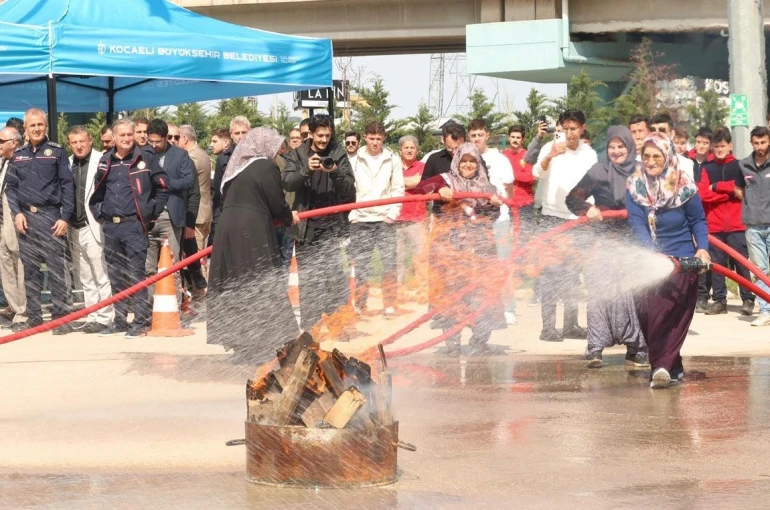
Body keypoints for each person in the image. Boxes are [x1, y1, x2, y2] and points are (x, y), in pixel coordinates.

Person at [208, 127, 300, 362]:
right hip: (252, 229)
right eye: (275, 147)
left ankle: (242, 345)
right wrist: (290, 217)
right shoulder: (264, 167)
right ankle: (262, 343)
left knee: (235, 284)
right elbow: (277, 203)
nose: (276, 153)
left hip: (227, 230)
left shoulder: (235, 168)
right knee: (259, 282)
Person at [626, 132, 710, 389]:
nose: (650, 161)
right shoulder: (634, 186)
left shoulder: (684, 186)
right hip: (650, 260)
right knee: (648, 317)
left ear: (668, 157)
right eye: (646, 156)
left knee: (669, 316)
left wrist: (702, 250)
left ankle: (660, 368)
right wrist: (651, 254)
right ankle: (672, 363)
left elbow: (698, 221)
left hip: (684, 263)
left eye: (656, 156)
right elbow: (637, 223)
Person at [411, 142, 506, 355]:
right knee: (450, 294)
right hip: (449, 251)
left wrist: (493, 204)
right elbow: (420, 188)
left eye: (473, 161)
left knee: (483, 293)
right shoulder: (445, 179)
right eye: (464, 161)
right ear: (457, 162)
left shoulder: (487, 187)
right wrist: (439, 189)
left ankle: (480, 340)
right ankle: (451, 341)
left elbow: (493, 216)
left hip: (480, 251)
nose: (469, 165)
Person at [566, 126, 648, 369]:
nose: (616, 151)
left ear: (629, 146)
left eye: (621, 146)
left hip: (633, 240)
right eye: (611, 147)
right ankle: (595, 349)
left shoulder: (641, 171)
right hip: (602, 241)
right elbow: (572, 198)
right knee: (600, 292)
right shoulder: (597, 171)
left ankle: (637, 349)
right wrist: (587, 208)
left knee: (633, 294)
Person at [89, 119, 169, 338]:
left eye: (129, 135)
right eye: (122, 135)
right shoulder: (106, 160)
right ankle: (121, 320)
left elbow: (163, 187)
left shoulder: (146, 157)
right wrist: (99, 214)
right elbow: (97, 190)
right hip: (111, 227)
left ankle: (141, 321)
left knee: (136, 275)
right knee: (116, 275)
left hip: (134, 225)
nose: (126, 138)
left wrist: (150, 213)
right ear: (113, 137)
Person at [283, 114, 356, 331]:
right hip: (306, 230)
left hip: (333, 228)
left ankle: (338, 329)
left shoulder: (338, 153)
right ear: (311, 134)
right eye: (320, 135)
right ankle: (312, 331)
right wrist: (307, 169)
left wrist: (334, 172)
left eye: (327, 135)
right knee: (310, 283)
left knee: (336, 281)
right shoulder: (298, 154)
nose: (324, 140)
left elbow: (350, 189)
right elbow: (287, 182)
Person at [6, 108, 74, 333]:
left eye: (40, 124)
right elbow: (11, 189)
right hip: (26, 220)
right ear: (24, 129)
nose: (36, 128)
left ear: (46, 126)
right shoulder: (18, 154)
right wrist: (16, 213)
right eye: (32, 125)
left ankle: (60, 319)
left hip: (51, 218)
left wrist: (65, 217)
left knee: (56, 270)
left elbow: (67, 186)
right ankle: (34, 319)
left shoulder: (56, 152)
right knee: (31, 272)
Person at [533, 109, 597, 342]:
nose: (569, 133)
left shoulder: (589, 154)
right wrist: (549, 156)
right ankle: (547, 327)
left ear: (582, 129)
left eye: (574, 129)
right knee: (550, 274)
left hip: (577, 221)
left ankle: (570, 324)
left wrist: (590, 209)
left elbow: (593, 185)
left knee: (573, 275)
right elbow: (536, 172)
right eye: (566, 128)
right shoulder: (551, 147)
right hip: (551, 218)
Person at [349, 121, 405, 317]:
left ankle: (389, 303)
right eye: (371, 138)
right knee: (362, 265)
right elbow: (350, 190)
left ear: (384, 139)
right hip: (361, 220)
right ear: (365, 137)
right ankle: (361, 304)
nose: (375, 142)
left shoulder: (393, 159)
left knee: (389, 263)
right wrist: (353, 215)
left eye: (378, 139)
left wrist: (392, 214)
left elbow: (398, 188)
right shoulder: (354, 159)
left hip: (384, 219)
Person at [697, 127, 754, 316]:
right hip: (714, 225)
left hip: (737, 225)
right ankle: (719, 301)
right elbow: (703, 195)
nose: (719, 150)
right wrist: (728, 194)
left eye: (723, 146)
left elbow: (742, 191)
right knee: (718, 265)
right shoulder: (707, 168)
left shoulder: (740, 165)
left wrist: (718, 187)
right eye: (717, 147)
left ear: (731, 145)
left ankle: (748, 299)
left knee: (742, 264)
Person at [63, 126, 114, 335]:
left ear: (90, 140)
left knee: (100, 273)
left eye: (82, 141)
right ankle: (92, 315)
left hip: (94, 224)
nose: (78, 146)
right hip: (74, 227)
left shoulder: (101, 160)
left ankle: (107, 317)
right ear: (69, 144)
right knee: (84, 276)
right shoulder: (66, 163)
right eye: (74, 142)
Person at [468, 118, 516, 325]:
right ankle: (478, 308)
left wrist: (505, 207)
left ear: (487, 135)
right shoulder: (466, 158)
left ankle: (507, 307)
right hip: (474, 221)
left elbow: (510, 188)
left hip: (499, 221)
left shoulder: (500, 159)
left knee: (502, 264)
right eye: (473, 135)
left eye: (480, 135)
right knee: (476, 266)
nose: (477, 139)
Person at [145, 120, 196, 284]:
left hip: (170, 218)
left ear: (166, 138)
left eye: (157, 141)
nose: (153, 145)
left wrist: (165, 183)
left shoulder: (180, 155)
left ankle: (175, 306)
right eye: (150, 141)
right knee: (148, 269)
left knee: (172, 267)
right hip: (148, 218)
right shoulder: (142, 153)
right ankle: (150, 306)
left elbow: (189, 181)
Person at [736, 126, 770, 326]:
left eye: (763, 142)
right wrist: (751, 205)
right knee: (759, 270)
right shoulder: (744, 165)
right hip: (753, 226)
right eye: (756, 143)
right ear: (751, 143)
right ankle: (766, 309)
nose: (760, 147)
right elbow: (738, 189)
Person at [395, 135, 427, 299]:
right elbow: (412, 182)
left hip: (417, 219)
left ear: (417, 149)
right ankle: (397, 291)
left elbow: (418, 182)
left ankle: (423, 290)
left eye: (412, 147)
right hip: (395, 219)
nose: (409, 150)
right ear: (400, 150)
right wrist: (409, 181)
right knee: (397, 259)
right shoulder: (393, 166)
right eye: (406, 147)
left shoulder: (423, 166)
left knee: (420, 257)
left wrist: (395, 180)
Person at [0, 126, 26, 326]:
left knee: (20, 265)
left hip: (15, 220)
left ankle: (23, 312)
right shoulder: (2, 162)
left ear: (14, 143)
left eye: (2, 141)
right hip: (1, 223)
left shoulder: (23, 161)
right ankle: (14, 308)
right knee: (5, 267)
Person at [689, 126, 714, 311]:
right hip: (689, 217)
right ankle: (693, 295)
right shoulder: (686, 160)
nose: (701, 146)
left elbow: (707, 194)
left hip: (709, 217)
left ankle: (704, 296)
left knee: (705, 254)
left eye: (705, 143)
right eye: (699, 142)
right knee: (691, 255)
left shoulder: (713, 164)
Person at [650, 113, 694, 180]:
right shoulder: (641, 162)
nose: (657, 134)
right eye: (653, 130)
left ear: (672, 134)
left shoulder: (685, 164)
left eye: (662, 130)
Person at [209, 127, 233, 249]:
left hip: (223, 211)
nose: (211, 145)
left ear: (225, 143)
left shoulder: (223, 159)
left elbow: (220, 190)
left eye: (214, 141)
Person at [502, 124, 535, 213]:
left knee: (526, 227)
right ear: (508, 138)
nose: (515, 140)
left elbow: (530, 178)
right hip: (506, 202)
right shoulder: (502, 155)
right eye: (513, 137)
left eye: (518, 138)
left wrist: (509, 173)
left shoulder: (528, 155)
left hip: (525, 203)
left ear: (522, 140)